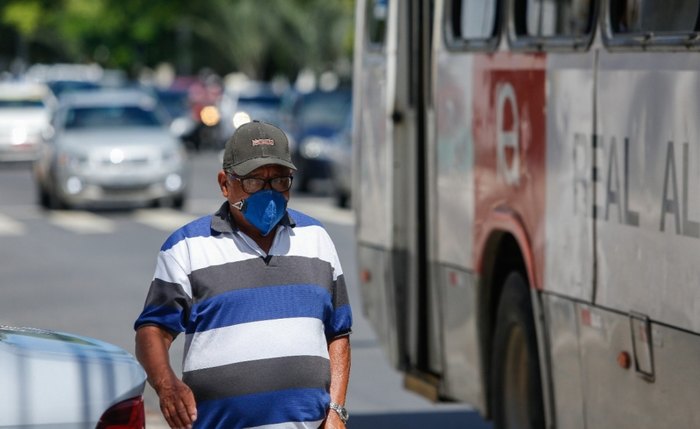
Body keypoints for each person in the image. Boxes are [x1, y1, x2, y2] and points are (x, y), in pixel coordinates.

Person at [134, 120, 352, 429]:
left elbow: (338, 334)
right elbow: (152, 331)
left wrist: (336, 411)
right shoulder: (187, 247)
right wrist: (167, 386)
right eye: (254, 181)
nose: (269, 191)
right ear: (225, 184)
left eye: (279, 180)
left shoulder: (317, 239)